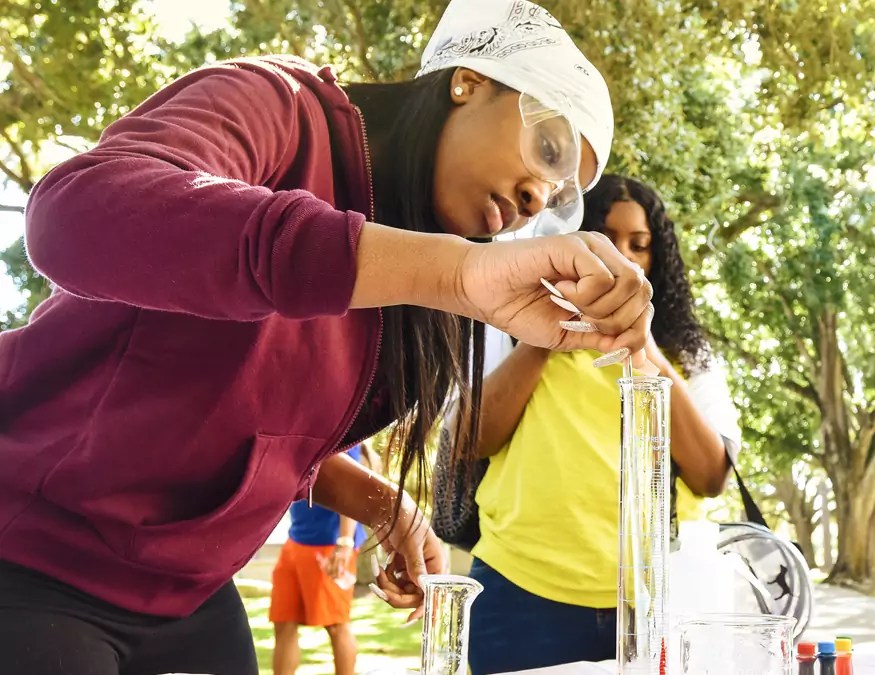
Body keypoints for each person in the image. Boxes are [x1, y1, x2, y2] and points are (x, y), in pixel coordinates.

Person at [0, 1, 654, 673]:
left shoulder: (425, 289)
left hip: (188, 593)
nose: (540, 198)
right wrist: (455, 274)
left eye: (562, 192)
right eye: (549, 150)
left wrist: (383, 504)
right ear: (470, 80)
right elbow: (74, 215)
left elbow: (252, 429)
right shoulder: (277, 106)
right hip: (34, 556)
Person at [465, 175, 742, 674]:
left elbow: (711, 475)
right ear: (574, 244)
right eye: (606, 240)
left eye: (640, 246)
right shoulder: (507, 331)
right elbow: (472, 440)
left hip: (655, 601)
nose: (623, 258)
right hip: (518, 595)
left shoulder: (688, 355)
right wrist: (546, 332)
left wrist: (642, 347)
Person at [270, 445, 369, 675]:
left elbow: (352, 487)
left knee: (336, 625)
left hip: (330, 544)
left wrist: (344, 542)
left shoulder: (343, 431)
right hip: (297, 539)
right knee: (283, 622)